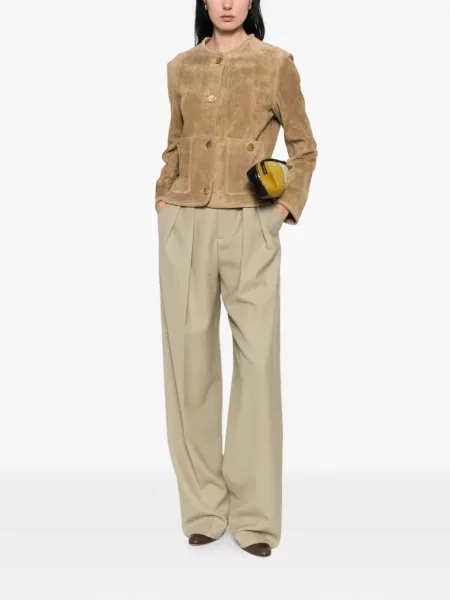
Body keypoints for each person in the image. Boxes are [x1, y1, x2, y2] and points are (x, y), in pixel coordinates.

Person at [154, 0, 318, 558]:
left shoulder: (275, 63)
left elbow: (304, 148)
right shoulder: (180, 67)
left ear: (252, 1)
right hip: (185, 223)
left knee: (257, 364)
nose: (227, 3)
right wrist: (164, 197)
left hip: (251, 222)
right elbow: (174, 143)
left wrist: (283, 208)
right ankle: (203, 508)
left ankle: (255, 517)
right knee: (188, 365)